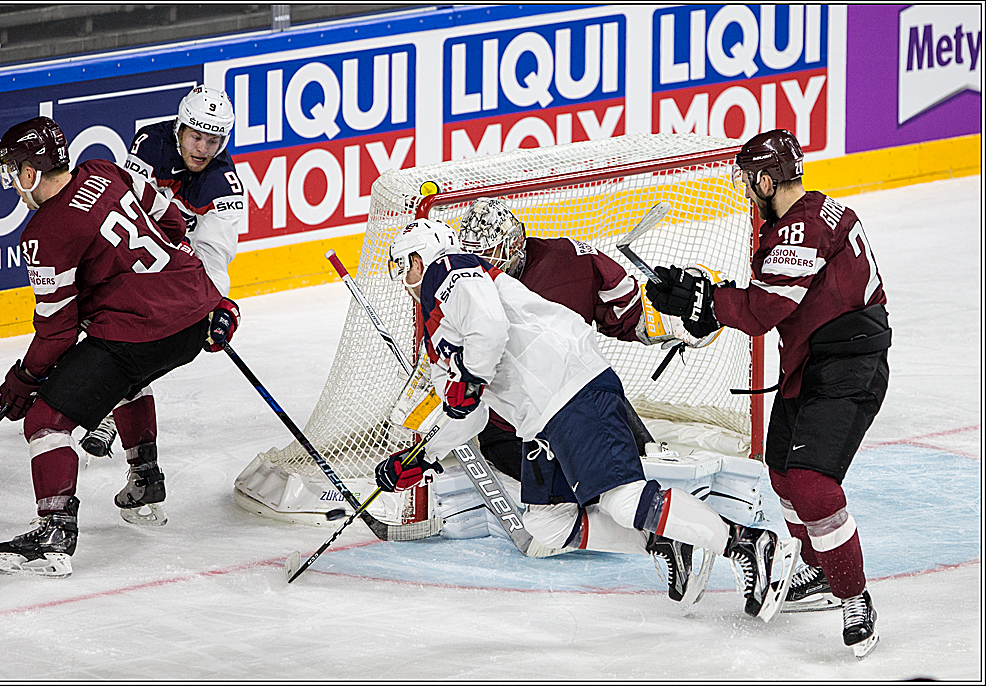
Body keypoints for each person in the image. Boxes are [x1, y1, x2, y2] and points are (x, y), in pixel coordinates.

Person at [375, 218, 800, 621]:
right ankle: (667, 539)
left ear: (417, 256)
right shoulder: (439, 333)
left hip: (570, 388)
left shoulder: (447, 268)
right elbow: (469, 413)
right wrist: (422, 457)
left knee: (623, 499)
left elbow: (489, 327)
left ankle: (748, 542)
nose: (404, 282)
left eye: (402, 269)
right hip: (541, 419)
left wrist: (469, 378)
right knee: (547, 522)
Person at [644, 129, 888, 658]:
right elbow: (765, 298)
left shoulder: (799, 231)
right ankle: (820, 571)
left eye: (749, 182)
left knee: (811, 484)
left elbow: (761, 312)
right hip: (812, 363)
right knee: (779, 474)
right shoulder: (812, 214)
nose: (745, 192)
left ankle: (855, 596)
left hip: (848, 368)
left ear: (764, 179)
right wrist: (704, 296)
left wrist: (703, 302)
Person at [0, 116, 240, 577]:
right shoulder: (105, 170)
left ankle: (53, 535)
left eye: (12, 173)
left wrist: (25, 378)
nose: (13, 184)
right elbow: (170, 219)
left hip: (140, 329)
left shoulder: (44, 233)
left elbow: (58, 331)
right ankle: (145, 481)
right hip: (196, 313)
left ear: (29, 174)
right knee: (125, 376)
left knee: (47, 420)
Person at [455, 198, 695, 599]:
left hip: (579, 402)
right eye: (477, 257)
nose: (486, 267)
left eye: (493, 255)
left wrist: (675, 323)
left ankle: (710, 533)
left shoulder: (571, 261)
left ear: (516, 243)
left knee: (623, 482)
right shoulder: (460, 285)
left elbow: (628, 314)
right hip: (517, 425)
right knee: (571, 500)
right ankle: (658, 538)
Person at [81, 85, 244, 458]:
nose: (203, 148)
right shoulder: (149, 143)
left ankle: (108, 405)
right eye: (196, 136)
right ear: (179, 129)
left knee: (152, 340)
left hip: (174, 272)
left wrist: (217, 304)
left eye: (214, 139)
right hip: (130, 251)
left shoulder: (224, 186)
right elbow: (126, 211)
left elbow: (214, 258)